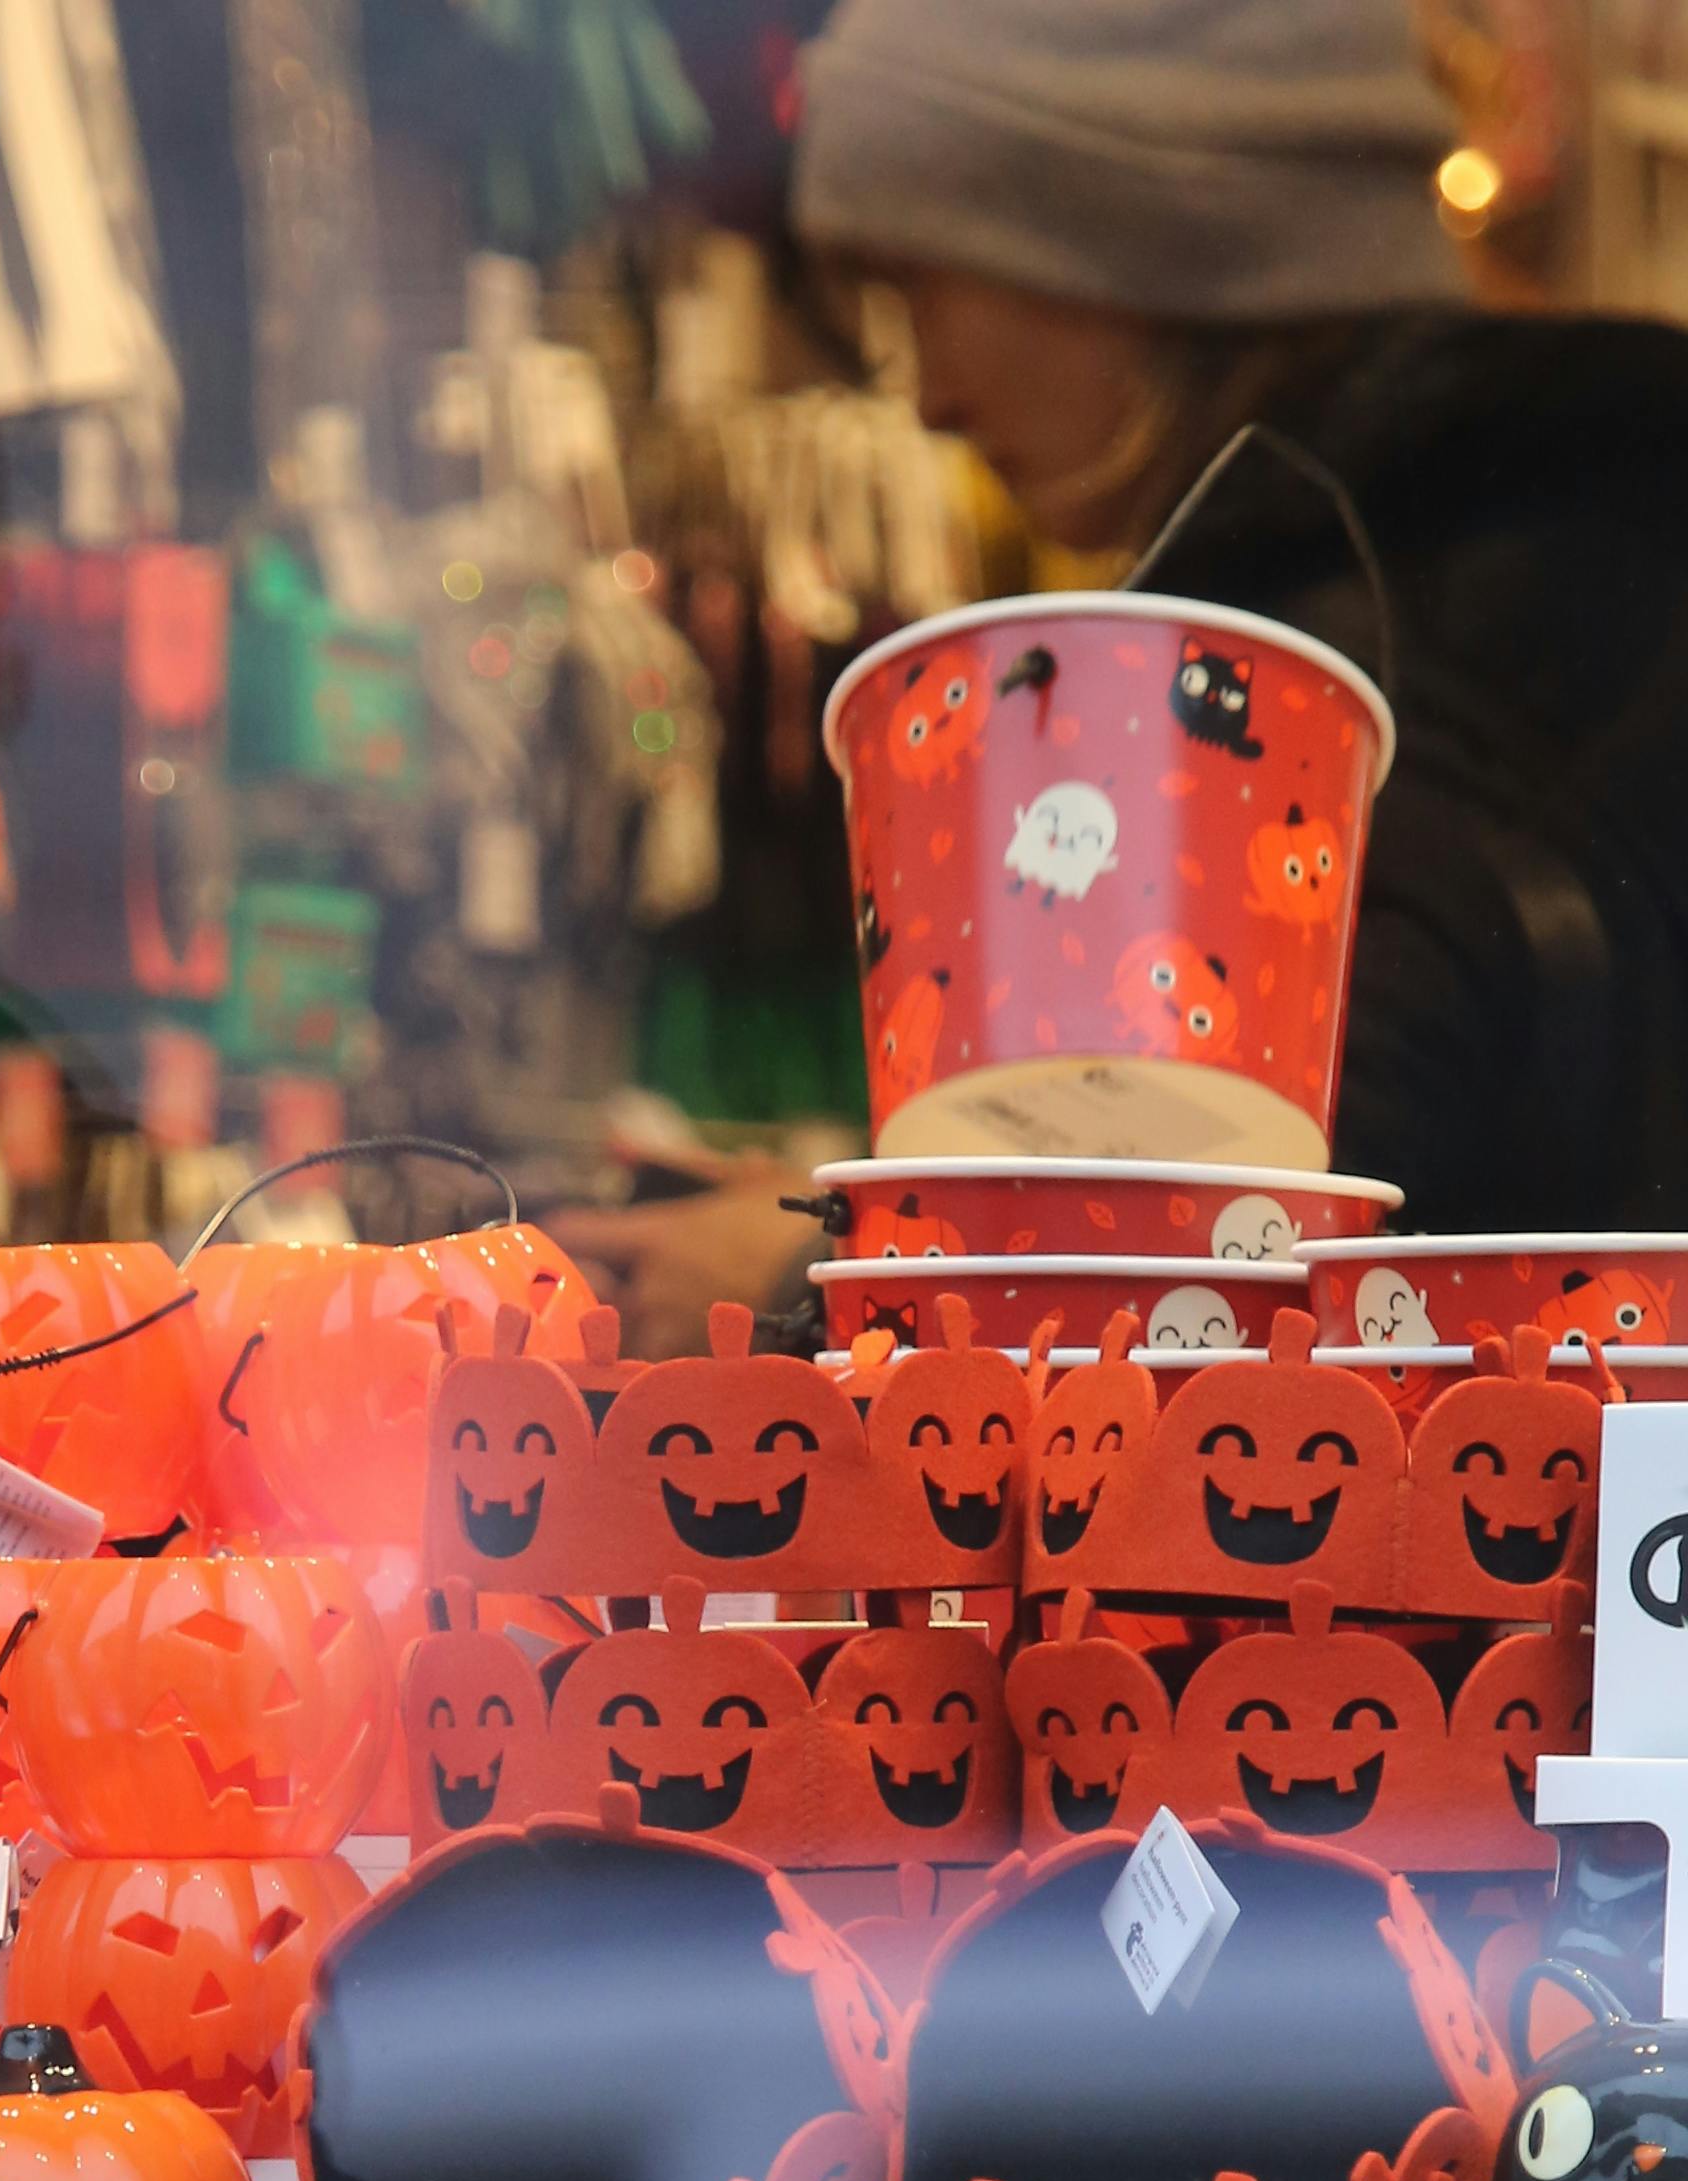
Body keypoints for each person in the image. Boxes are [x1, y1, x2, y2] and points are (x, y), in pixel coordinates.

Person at [573, 0, 1688, 1343]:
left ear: (1123, 233)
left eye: (920, 286)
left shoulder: (1319, 653)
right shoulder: (1552, 526)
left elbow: (1235, 1266)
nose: (922, 396)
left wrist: (808, 1297)